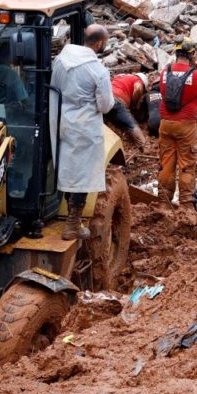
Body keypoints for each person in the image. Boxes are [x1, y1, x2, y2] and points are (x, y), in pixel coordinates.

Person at [49, 24, 113, 238]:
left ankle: (67, 215)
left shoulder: (60, 60)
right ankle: (73, 223)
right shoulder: (98, 70)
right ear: (99, 43)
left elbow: (54, 88)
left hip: (62, 120)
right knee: (82, 175)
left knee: (67, 170)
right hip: (85, 127)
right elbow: (105, 105)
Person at [157, 40, 197, 205]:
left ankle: (164, 202)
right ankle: (186, 205)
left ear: (176, 53)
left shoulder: (165, 72)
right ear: (192, 55)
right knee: (186, 164)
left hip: (165, 123)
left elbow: (163, 94)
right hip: (186, 124)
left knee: (166, 163)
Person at [107, 72, 149, 147]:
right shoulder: (138, 80)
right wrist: (134, 104)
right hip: (117, 100)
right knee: (131, 124)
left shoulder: (120, 76)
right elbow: (138, 88)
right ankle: (144, 146)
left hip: (105, 98)